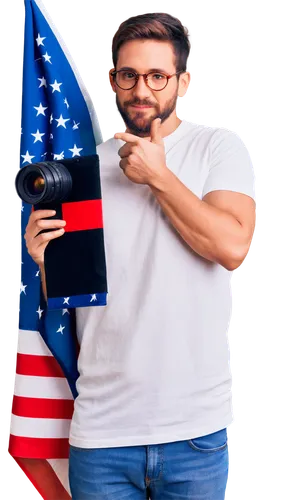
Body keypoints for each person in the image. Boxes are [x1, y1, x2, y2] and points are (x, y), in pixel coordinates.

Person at [24, 10, 257, 500]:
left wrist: (159, 177)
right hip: (103, 433)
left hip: (194, 433)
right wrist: (46, 262)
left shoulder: (219, 148)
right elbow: (76, 299)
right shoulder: (81, 172)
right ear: (113, 81)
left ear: (184, 82)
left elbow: (234, 248)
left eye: (157, 76)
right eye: (129, 75)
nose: (142, 90)